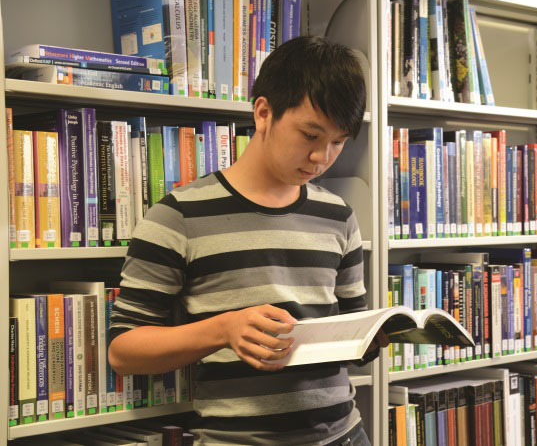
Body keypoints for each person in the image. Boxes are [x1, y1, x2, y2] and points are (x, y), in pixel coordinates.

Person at [108, 36, 385, 445]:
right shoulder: (178, 216)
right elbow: (123, 352)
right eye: (310, 136)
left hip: (345, 435)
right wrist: (223, 329)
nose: (321, 158)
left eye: (338, 143)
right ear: (263, 112)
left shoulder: (338, 214)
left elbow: (351, 335)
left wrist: (373, 337)